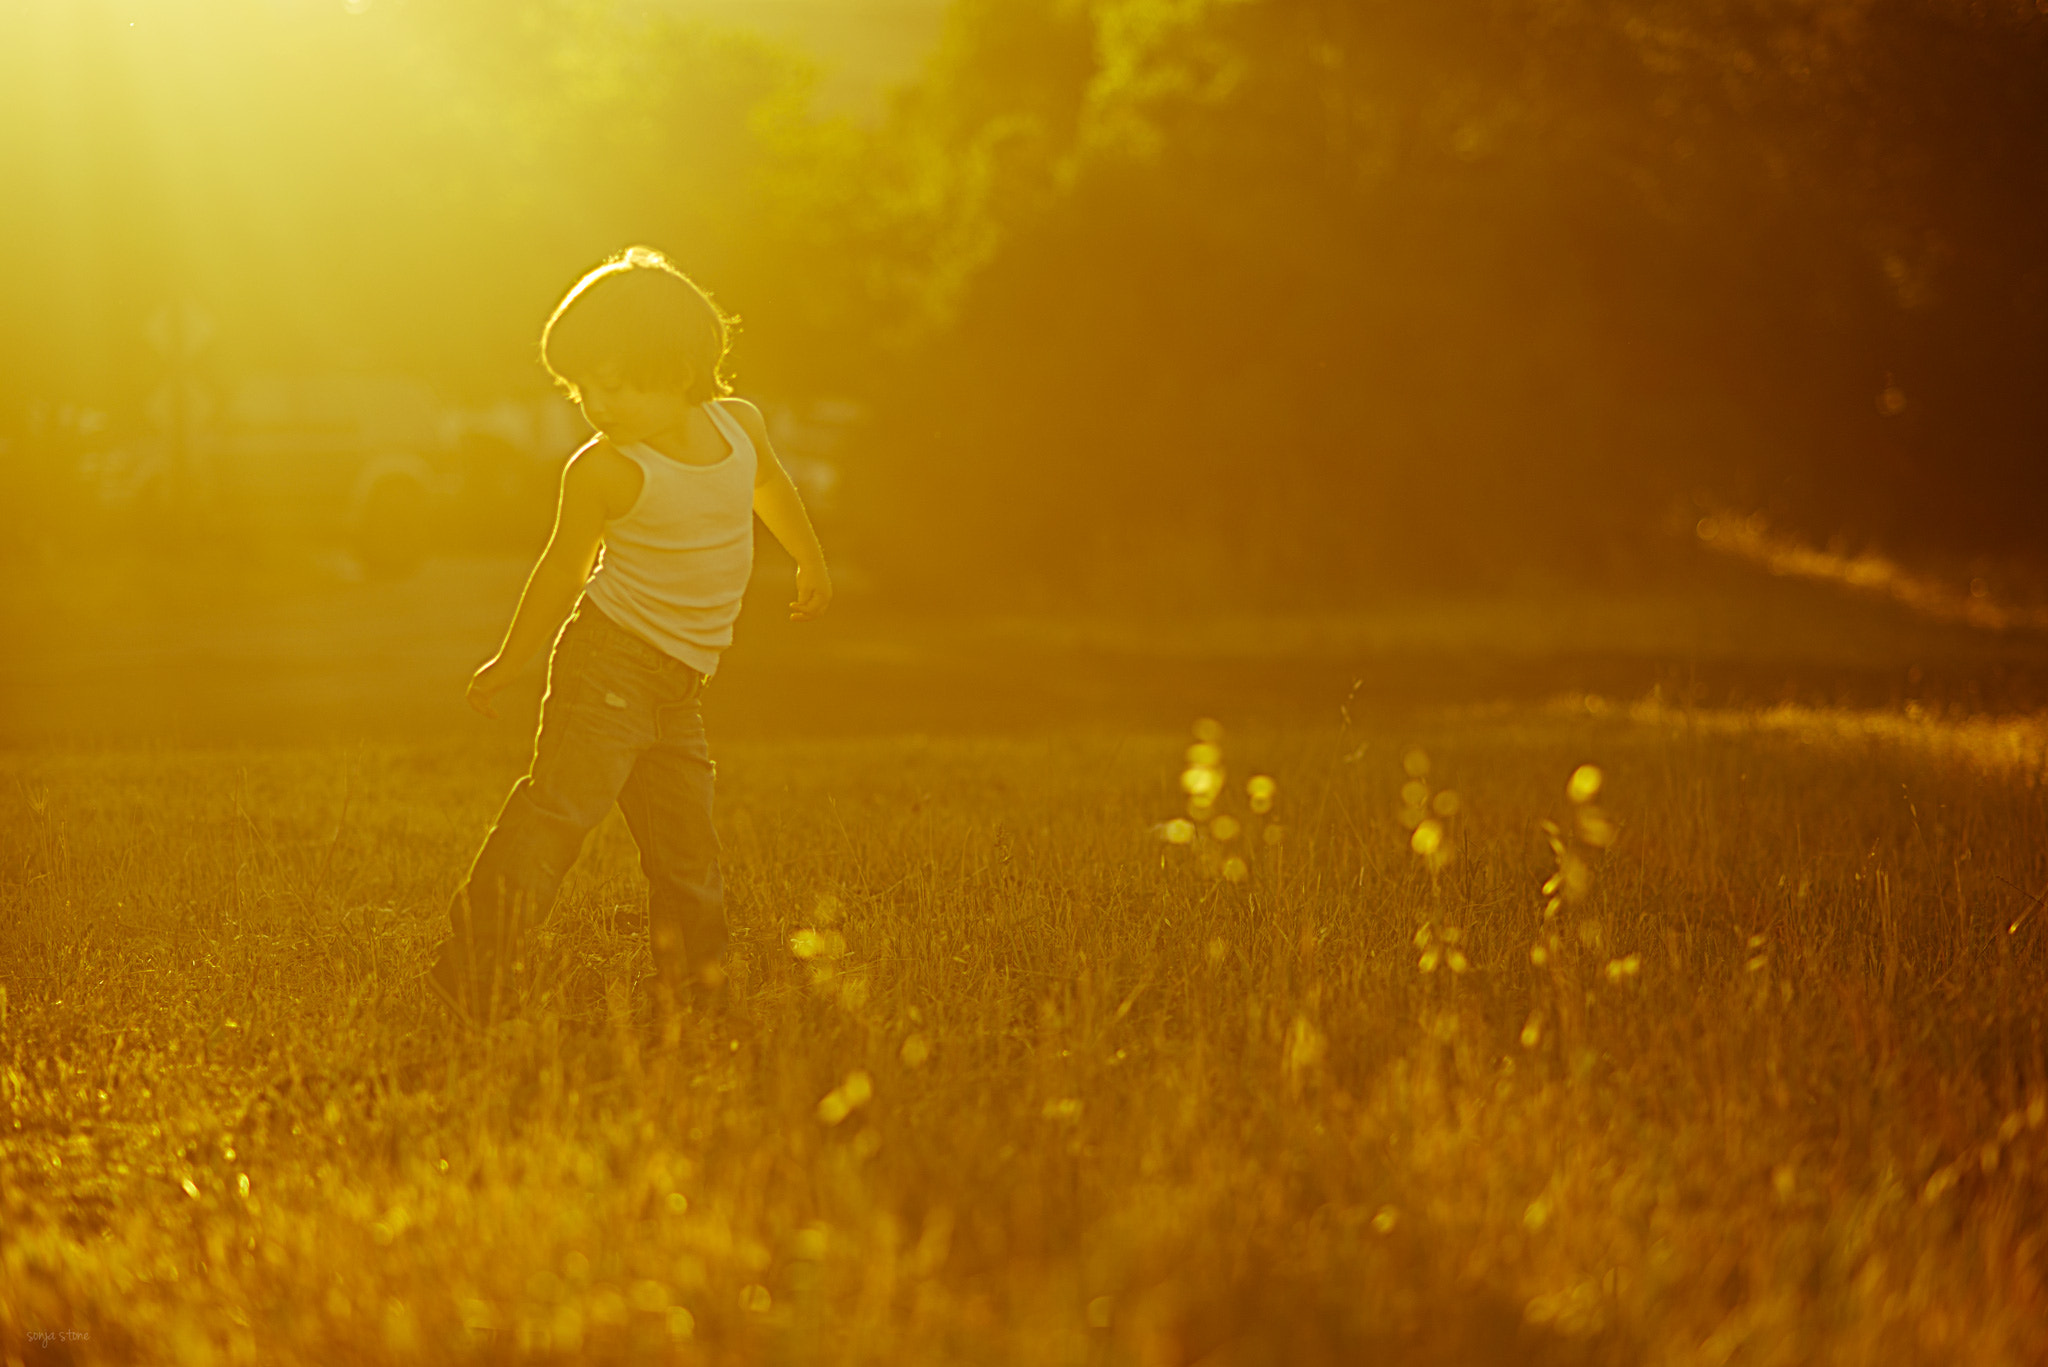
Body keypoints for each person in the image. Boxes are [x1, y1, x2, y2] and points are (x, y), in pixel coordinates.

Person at [426, 245, 831, 1032]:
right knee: (559, 816)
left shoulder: (740, 426)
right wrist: (514, 659)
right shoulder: (604, 471)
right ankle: (470, 969)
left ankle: (699, 995)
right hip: (606, 667)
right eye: (583, 386)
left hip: (681, 686)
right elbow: (562, 571)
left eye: (616, 381)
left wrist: (808, 557)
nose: (597, 402)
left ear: (681, 371)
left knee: (688, 850)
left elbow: (770, 486)